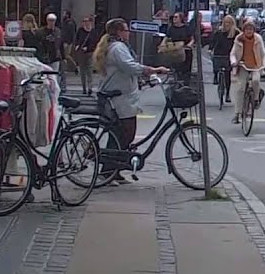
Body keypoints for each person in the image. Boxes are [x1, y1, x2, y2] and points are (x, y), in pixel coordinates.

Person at [94, 18, 172, 182]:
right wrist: (153, 70)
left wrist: (143, 79)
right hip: (119, 99)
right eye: (126, 29)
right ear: (119, 32)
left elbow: (126, 70)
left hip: (120, 96)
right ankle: (108, 171)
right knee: (125, 134)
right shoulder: (118, 48)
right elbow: (129, 66)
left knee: (120, 135)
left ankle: (114, 170)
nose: (128, 32)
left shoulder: (115, 46)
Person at [229, 19, 265, 123]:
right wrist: (234, 62)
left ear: (254, 30)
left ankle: (255, 99)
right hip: (242, 65)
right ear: (244, 30)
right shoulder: (239, 39)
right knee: (240, 88)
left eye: (251, 29)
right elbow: (232, 53)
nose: (249, 31)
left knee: (255, 81)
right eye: (247, 29)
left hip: (256, 66)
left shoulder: (258, 39)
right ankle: (237, 114)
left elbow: (264, 53)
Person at [210, 14, 239, 103]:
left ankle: (227, 94)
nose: (226, 24)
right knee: (215, 63)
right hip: (219, 53)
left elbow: (239, 43)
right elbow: (213, 41)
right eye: (225, 22)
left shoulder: (236, 33)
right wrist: (210, 49)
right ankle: (215, 76)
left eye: (229, 23)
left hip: (229, 55)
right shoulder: (219, 32)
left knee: (227, 74)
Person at [73, 15, 101, 95]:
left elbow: (95, 42)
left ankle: (90, 87)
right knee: (82, 70)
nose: (85, 23)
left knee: (89, 70)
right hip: (81, 53)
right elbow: (77, 39)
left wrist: (88, 48)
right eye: (84, 21)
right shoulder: (80, 30)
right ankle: (84, 88)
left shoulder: (93, 32)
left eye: (87, 21)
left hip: (90, 53)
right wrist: (77, 45)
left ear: (90, 22)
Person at [40, 13, 66, 91]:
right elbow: (40, 45)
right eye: (50, 20)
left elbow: (61, 44)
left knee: (54, 77)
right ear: (47, 21)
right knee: (45, 77)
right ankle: (46, 91)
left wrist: (63, 57)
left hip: (55, 57)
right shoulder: (42, 32)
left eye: (53, 20)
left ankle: (54, 91)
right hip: (45, 57)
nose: (52, 22)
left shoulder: (58, 31)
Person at [166, 12, 195, 80]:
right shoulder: (171, 28)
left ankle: (185, 84)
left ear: (180, 18)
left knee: (186, 70)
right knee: (176, 69)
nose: (174, 19)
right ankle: (177, 83)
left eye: (176, 17)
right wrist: (162, 46)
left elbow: (192, 39)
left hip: (186, 51)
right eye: (173, 17)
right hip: (175, 51)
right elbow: (166, 38)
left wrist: (189, 45)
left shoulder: (186, 28)